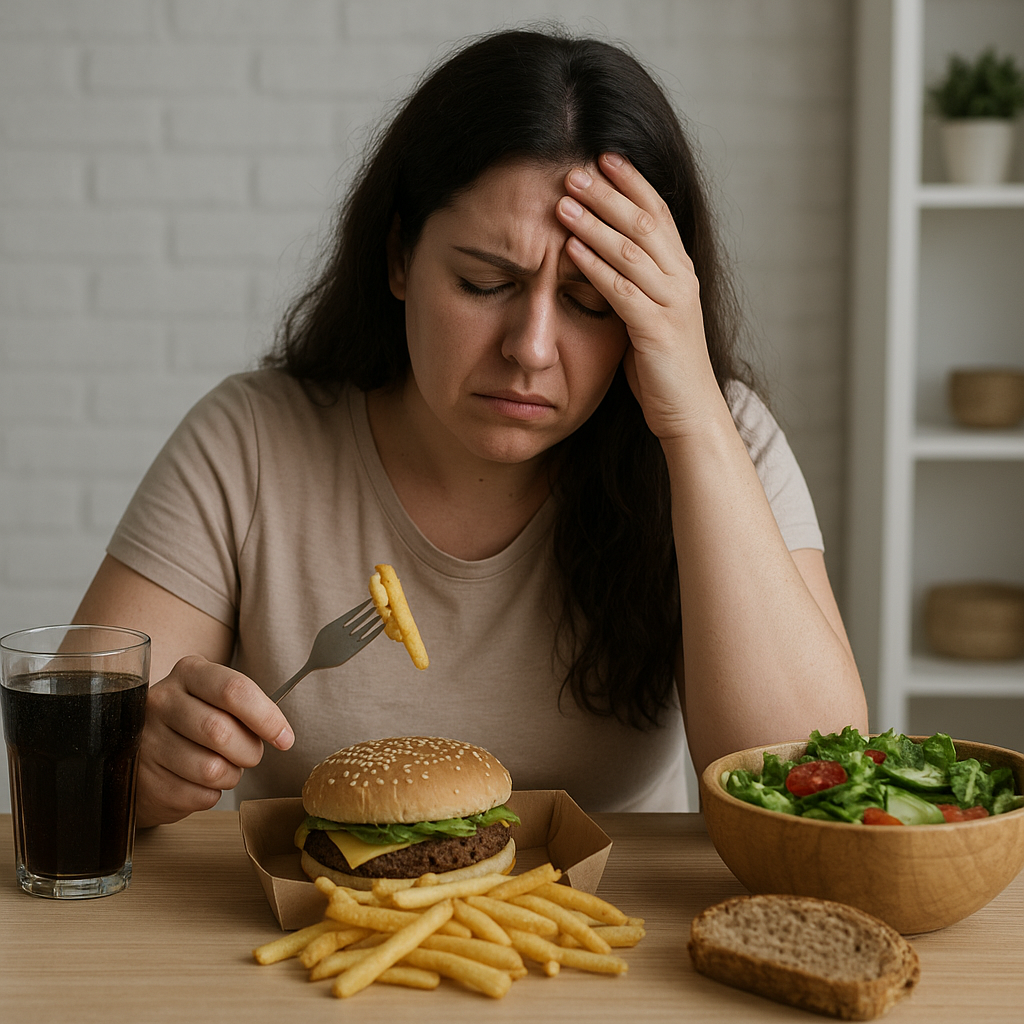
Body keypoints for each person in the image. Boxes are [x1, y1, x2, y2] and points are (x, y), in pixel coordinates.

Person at [74, 29, 867, 828]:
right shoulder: (247, 444)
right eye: (485, 282)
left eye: (593, 302)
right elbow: (70, 764)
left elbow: (813, 792)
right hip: (310, 939)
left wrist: (694, 419)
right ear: (397, 258)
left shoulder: (723, 440)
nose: (530, 348)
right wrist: (138, 761)